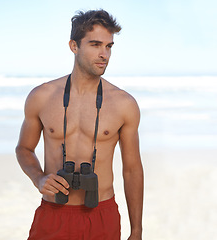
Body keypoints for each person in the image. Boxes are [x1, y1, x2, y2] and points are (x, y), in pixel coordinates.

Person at [16, 9, 144, 240]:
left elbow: (132, 170)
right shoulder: (41, 97)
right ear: (74, 46)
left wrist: (137, 230)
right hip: (53, 212)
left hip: (101, 214)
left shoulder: (124, 104)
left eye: (109, 46)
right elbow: (23, 148)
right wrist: (39, 178)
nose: (104, 54)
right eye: (95, 44)